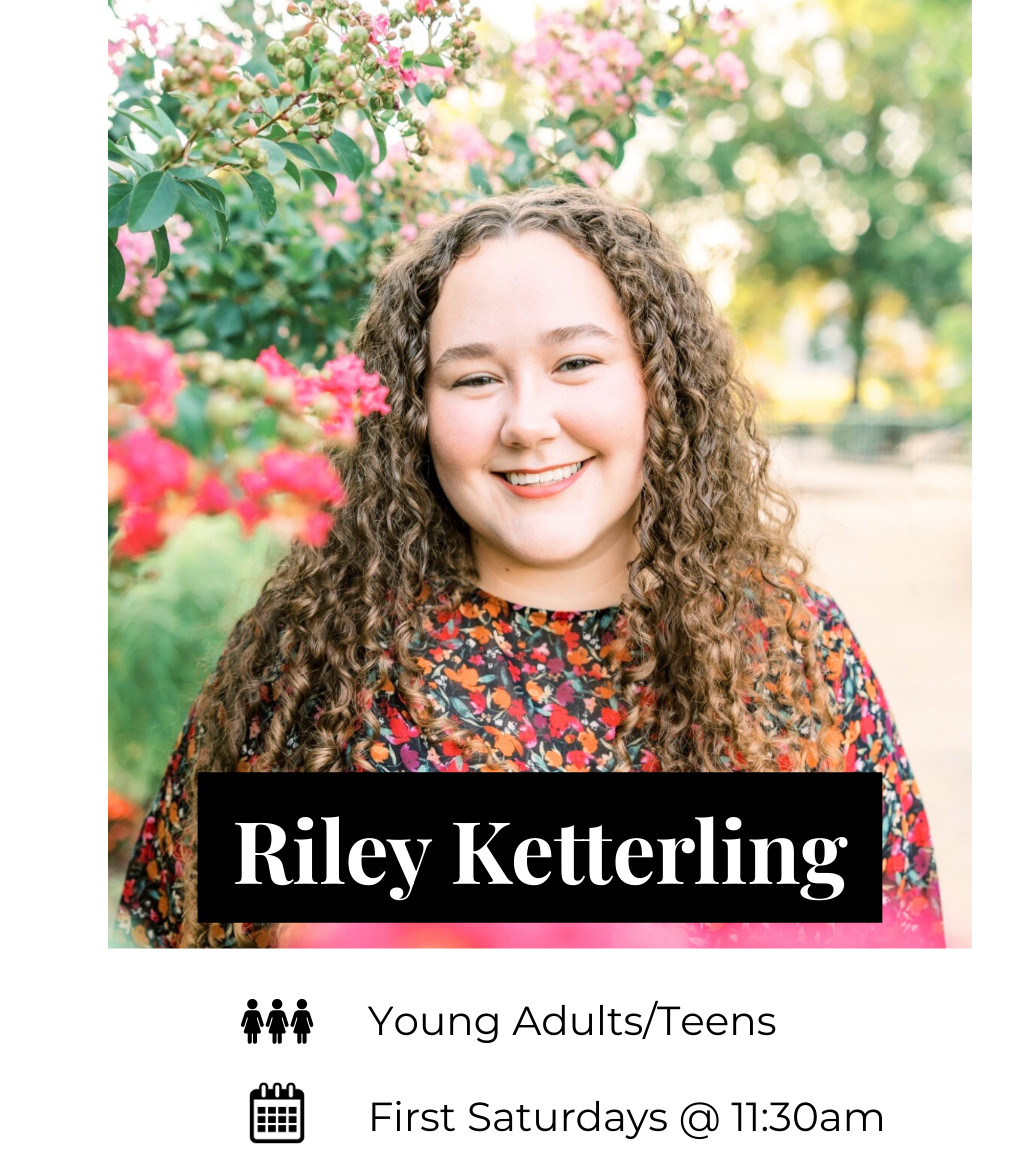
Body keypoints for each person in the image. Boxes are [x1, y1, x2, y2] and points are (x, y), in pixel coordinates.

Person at [118, 185, 943, 950]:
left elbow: (892, 995)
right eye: (475, 378)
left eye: (576, 363)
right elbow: (181, 989)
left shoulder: (795, 652)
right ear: (414, 415)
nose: (528, 422)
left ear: (662, 384)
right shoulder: (313, 667)